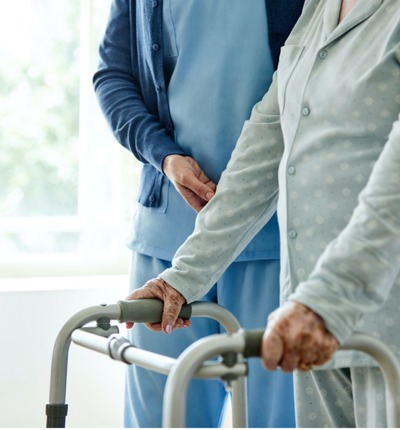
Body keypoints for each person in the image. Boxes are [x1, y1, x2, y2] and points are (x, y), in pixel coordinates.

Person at [127, 0, 400, 427]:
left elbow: (394, 193)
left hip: (380, 323)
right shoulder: (319, 11)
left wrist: (325, 303)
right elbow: (262, 152)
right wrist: (182, 278)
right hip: (317, 326)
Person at [93, 0, 305, 427]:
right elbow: (113, 76)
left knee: (280, 420)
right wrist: (164, 155)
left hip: (275, 240)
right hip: (168, 239)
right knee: (163, 419)